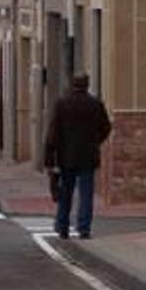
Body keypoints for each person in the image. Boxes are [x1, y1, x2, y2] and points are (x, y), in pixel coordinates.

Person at [44, 75, 112, 240]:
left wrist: (49, 159)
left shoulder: (62, 104)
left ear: (72, 85)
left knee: (65, 193)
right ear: (87, 85)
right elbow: (106, 127)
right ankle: (84, 228)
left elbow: (53, 134)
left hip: (66, 157)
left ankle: (63, 227)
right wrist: (95, 141)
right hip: (88, 156)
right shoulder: (95, 104)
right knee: (86, 194)